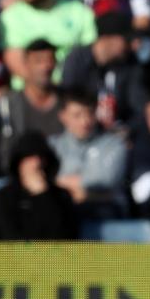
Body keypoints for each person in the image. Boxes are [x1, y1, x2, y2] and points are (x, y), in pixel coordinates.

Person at [0, 0, 96, 87]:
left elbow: (89, 54)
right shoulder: (10, 16)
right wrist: (49, 90)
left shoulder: (79, 11)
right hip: (31, 93)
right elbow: (15, 61)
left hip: (72, 89)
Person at [49, 88, 128, 218]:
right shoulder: (52, 146)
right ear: (62, 116)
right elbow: (44, 182)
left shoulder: (114, 144)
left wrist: (61, 183)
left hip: (107, 213)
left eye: (90, 113)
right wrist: (88, 190)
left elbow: (107, 181)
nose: (85, 121)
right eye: (77, 115)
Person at [61, 10, 146, 131]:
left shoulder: (131, 64)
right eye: (128, 40)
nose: (134, 46)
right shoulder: (77, 60)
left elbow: (138, 107)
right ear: (107, 39)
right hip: (84, 131)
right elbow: (68, 101)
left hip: (119, 134)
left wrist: (127, 130)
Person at [0, 130, 79, 239]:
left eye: (41, 157)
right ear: (19, 163)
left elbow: (66, 236)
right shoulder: (4, 198)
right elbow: (8, 237)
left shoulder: (61, 196)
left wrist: (43, 196)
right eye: (30, 157)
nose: (37, 163)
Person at [0, 39, 65, 170]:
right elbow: (4, 150)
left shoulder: (66, 100)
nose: (46, 67)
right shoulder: (9, 104)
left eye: (50, 60)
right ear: (26, 65)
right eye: (39, 61)